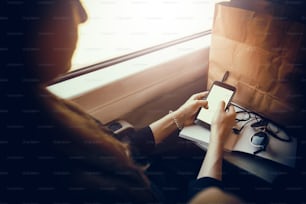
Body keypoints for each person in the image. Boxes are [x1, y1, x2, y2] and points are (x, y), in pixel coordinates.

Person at [0, 1, 241, 203]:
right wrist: (218, 138)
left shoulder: (36, 106)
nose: (83, 16)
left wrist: (176, 117)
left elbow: (117, 145)